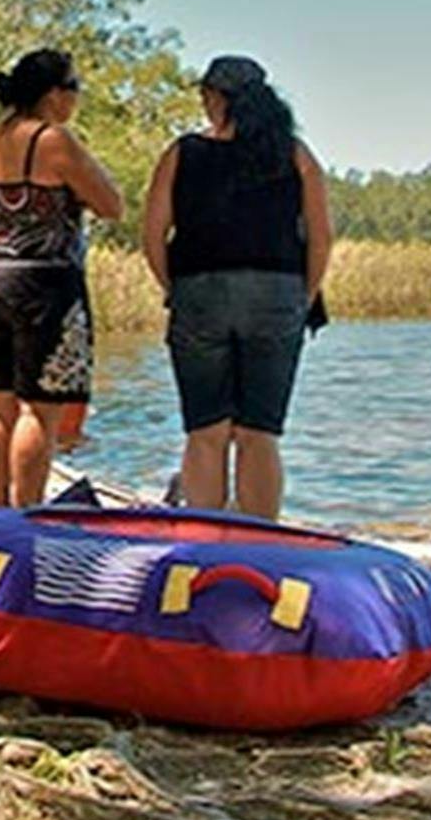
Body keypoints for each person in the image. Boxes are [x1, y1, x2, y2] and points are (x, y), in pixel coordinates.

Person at [142, 55, 331, 521]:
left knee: (206, 430)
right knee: (259, 432)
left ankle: (206, 542)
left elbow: (152, 235)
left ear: (215, 97)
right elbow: (321, 236)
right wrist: (304, 295)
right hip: (277, 292)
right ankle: (261, 542)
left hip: (198, 292)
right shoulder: (295, 154)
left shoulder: (182, 153)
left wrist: (176, 287)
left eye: (204, 95)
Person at [0, 49, 123, 508]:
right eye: (74, 87)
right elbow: (112, 204)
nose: (76, 97)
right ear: (54, 94)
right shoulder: (54, 140)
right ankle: (28, 513)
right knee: (40, 407)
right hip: (43, 282)